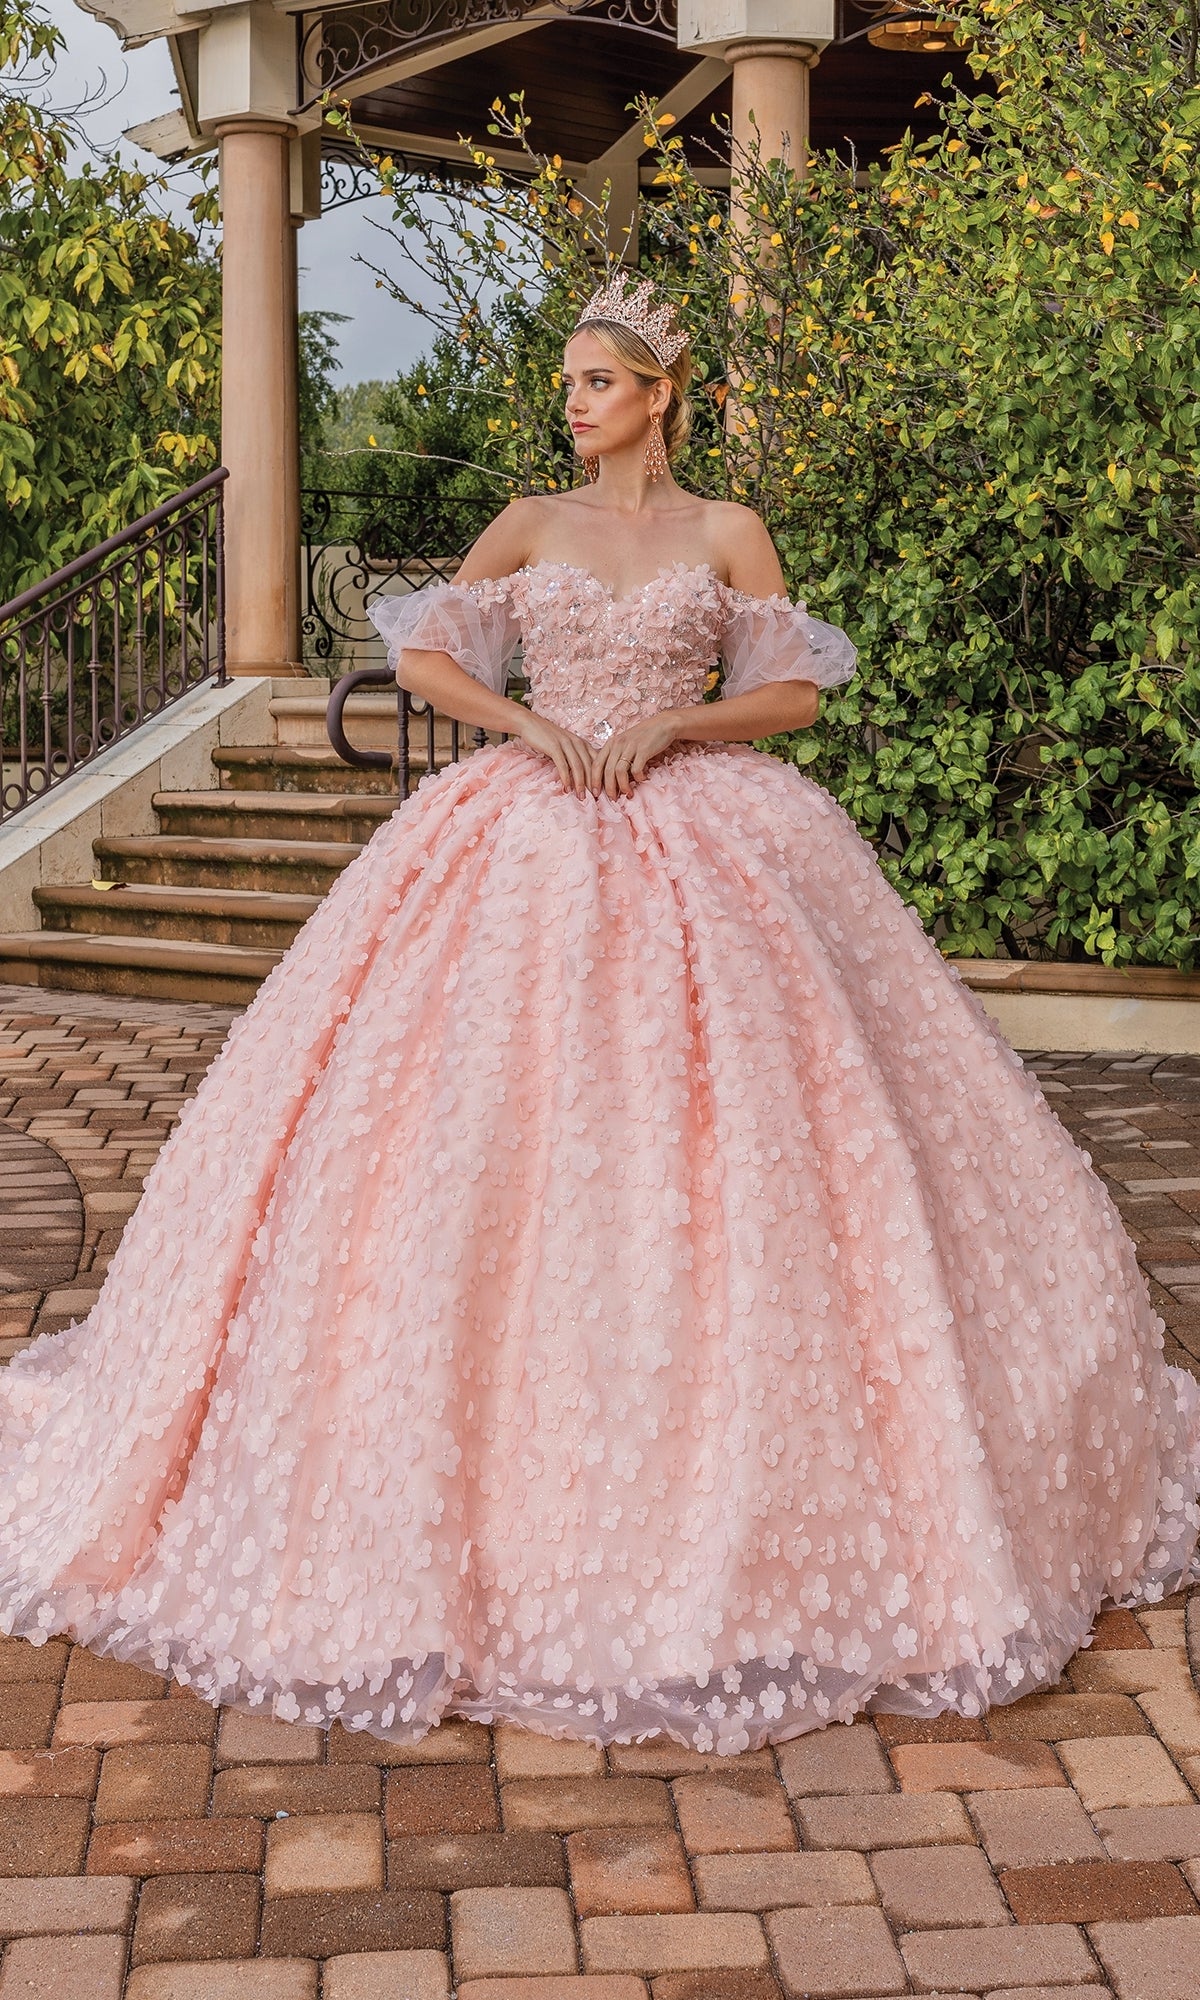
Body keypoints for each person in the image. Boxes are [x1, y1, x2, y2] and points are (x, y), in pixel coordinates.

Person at [0, 275, 1196, 1758]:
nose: (572, 406)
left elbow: (792, 697)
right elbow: (435, 655)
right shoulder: (529, 522)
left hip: (709, 832)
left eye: (597, 384)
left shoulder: (725, 533)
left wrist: (676, 721)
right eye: (567, 383)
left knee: (767, 1124)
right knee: (470, 1124)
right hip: (527, 829)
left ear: (660, 394)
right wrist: (529, 723)